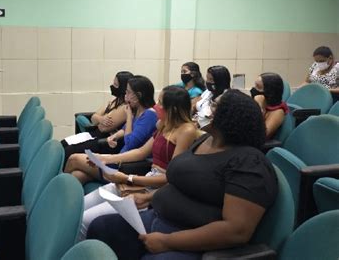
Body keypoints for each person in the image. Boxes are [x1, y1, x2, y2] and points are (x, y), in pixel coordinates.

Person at [87, 90, 278, 260]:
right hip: (158, 218)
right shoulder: (205, 140)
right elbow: (183, 181)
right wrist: (149, 197)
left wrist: (168, 241)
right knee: (100, 228)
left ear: (230, 118)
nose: (203, 108)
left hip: (192, 239)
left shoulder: (249, 163)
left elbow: (236, 231)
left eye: (213, 105)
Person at [78, 86, 200, 240]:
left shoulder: (186, 131)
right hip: (144, 180)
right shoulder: (164, 124)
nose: (156, 106)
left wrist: (128, 178)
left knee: (85, 220)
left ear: (173, 108)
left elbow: (171, 177)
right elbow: (141, 152)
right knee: (78, 208)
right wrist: (105, 158)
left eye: (161, 103)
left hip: (154, 189)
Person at [65, 75, 158, 185]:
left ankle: (52, 192)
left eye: (128, 93)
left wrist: (128, 116)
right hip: (119, 160)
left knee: (73, 159)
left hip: (126, 167)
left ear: (138, 96)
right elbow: (124, 130)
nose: (126, 96)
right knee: (77, 175)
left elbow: (130, 142)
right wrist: (114, 136)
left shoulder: (149, 116)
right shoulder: (138, 111)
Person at [63, 72, 134, 164]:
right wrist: (100, 119)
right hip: (95, 133)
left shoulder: (125, 107)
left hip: (105, 141)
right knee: (63, 143)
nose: (112, 86)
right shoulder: (113, 101)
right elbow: (93, 118)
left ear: (123, 88)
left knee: (68, 150)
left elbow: (104, 128)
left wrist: (99, 119)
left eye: (116, 85)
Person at [250, 73, 288, 139]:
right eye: (255, 86)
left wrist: (259, 107)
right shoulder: (260, 104)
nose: (254, 89)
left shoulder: (278, 112)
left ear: (269, 92)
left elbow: (261, 135)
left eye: (258, 87)